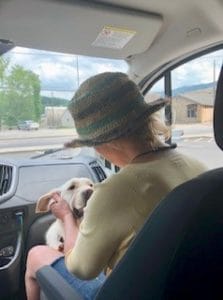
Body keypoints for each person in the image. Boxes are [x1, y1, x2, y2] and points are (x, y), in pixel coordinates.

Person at [25, 72, 207, 300]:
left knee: (36, 254)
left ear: (106, 142)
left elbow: (81, 270)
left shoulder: (114, 191)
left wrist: (66, 218)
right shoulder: (202, 169)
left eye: (93, 145)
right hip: (192, 287)